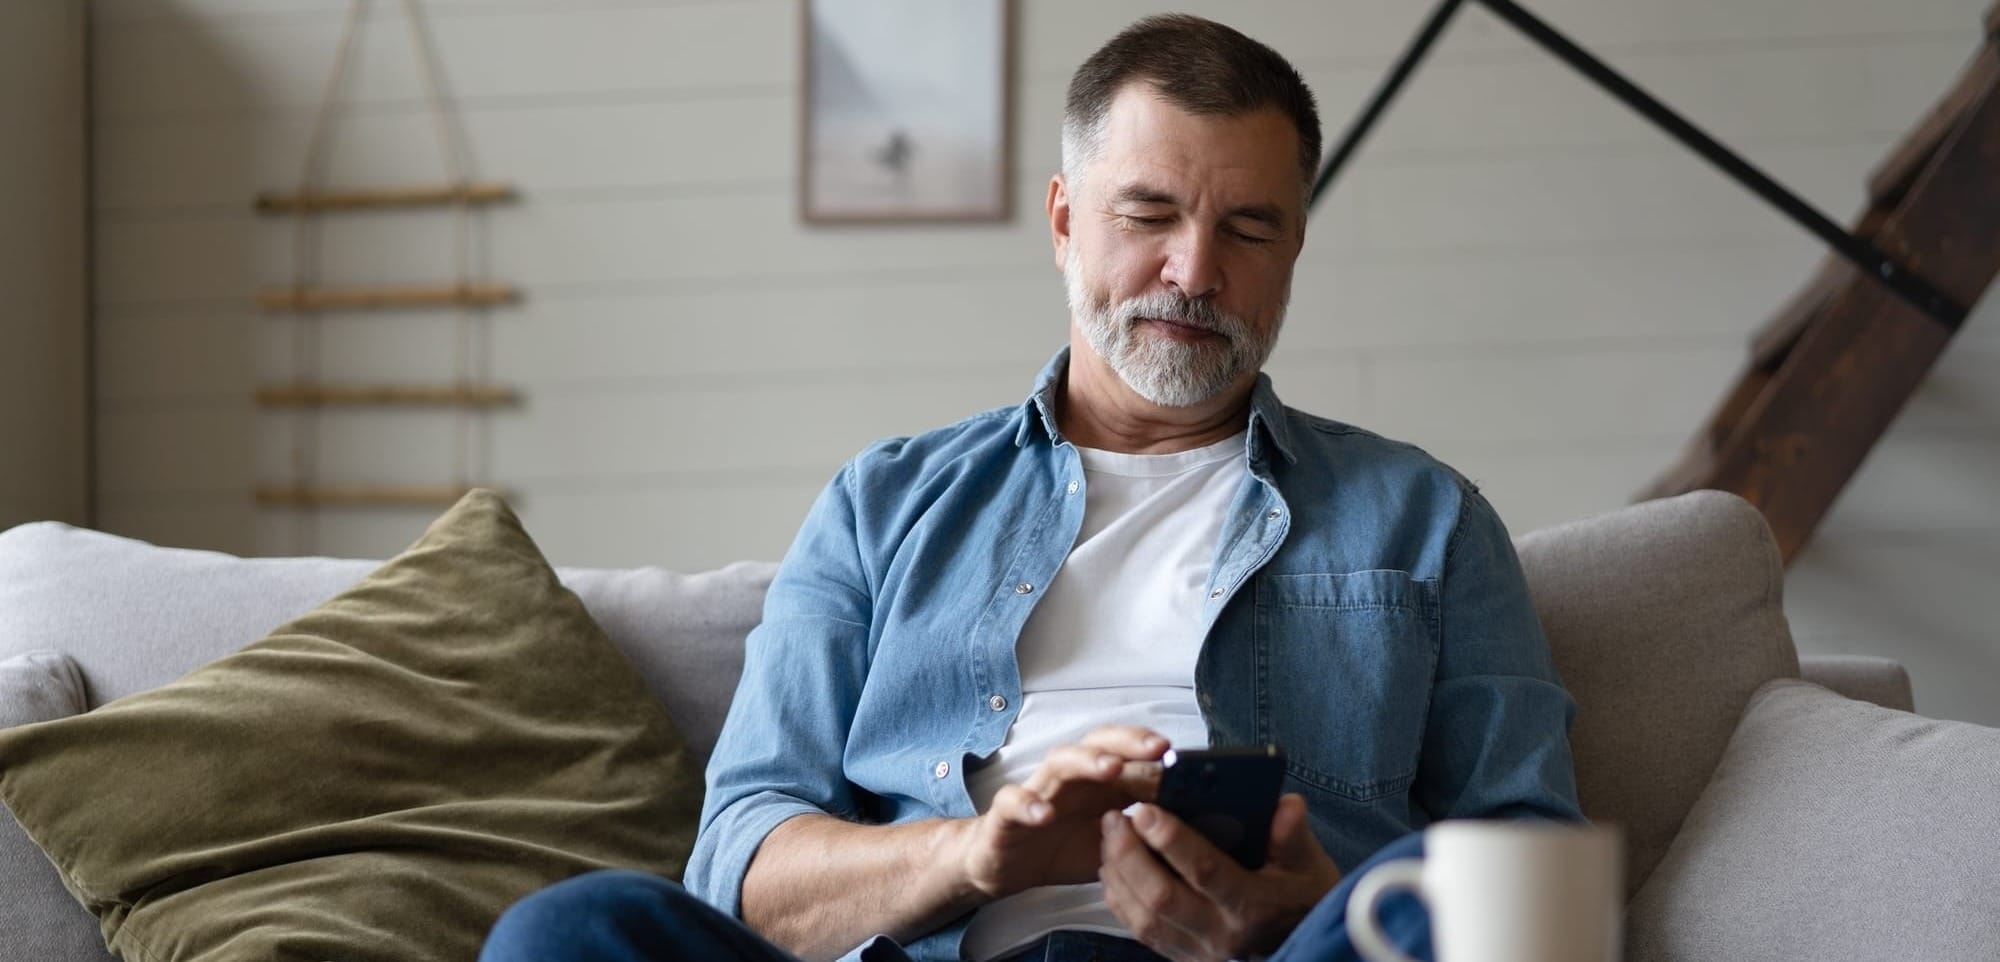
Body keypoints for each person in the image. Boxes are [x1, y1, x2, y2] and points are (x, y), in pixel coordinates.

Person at [481, 14, 1581, 962]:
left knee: (1456, 888)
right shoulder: (884, 502)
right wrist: (973, 851)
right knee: (573, 930)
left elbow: (1544, 894)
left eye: (1247, 227)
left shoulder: (1425, 517)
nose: (1194, 271)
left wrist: (1302, 907)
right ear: (1063, 222)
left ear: (1292, 247)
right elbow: (741, 859)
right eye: (1147, 214)